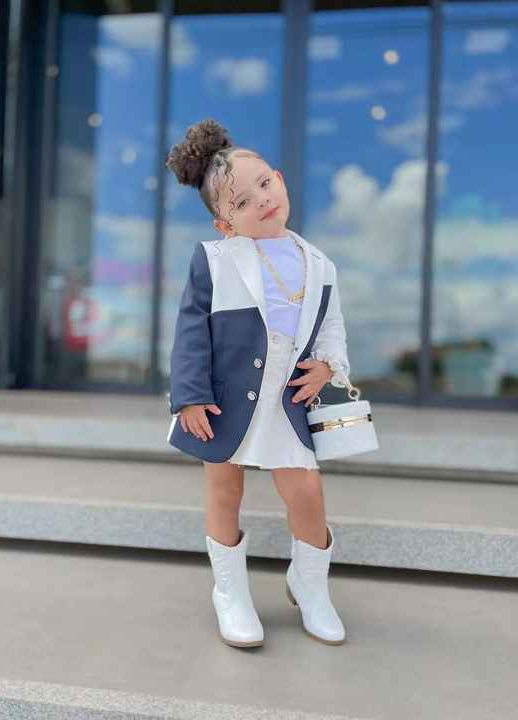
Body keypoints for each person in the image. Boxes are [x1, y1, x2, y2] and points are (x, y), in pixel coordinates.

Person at [165, 118, 351, 649]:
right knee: (225, 489)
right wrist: (190, 396)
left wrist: (328, 366)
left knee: (306, 491)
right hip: (223, 400)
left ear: (280, 178)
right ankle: (230, 592)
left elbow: (331, 328)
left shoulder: (321, 264)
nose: (263, 200)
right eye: (243, 201)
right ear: (226, 223)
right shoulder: (214, 260)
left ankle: (310, 586)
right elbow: (191, 332)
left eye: (265, 184)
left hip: (287, 399)